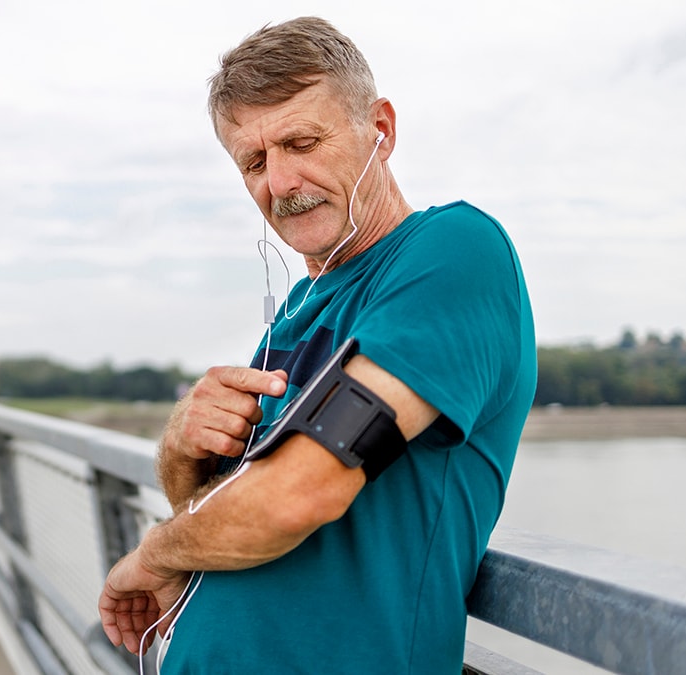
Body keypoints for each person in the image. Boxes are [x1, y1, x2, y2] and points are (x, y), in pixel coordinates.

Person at [97, 16, 537, 674]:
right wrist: (184, 445)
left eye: (302, 142)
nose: (280, 183)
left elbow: (298, 495)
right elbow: (223, 513)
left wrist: (155, 554)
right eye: (254, 161)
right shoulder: (292, 318)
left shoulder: (453, 253)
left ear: (380, 130)